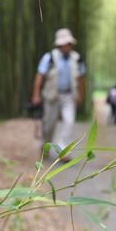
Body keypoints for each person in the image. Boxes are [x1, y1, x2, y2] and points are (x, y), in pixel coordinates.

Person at [31, 28, 86, 157]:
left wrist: (81, 95)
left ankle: (63, 150)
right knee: (49, 126)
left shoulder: (77, 58)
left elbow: (82, 78)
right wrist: (36, 94)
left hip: (69, 96)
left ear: (71, 44)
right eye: (63, 44)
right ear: (59, 45)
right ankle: (45, 145)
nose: (66, 46)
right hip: (52, 96)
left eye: (68, 43)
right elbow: (40, 76)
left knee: (69, 122)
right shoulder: (49, 57)